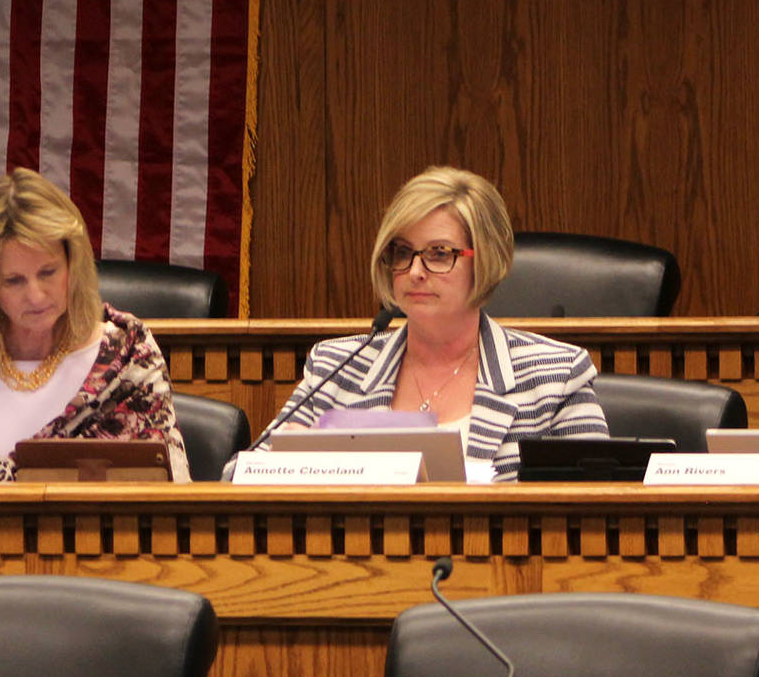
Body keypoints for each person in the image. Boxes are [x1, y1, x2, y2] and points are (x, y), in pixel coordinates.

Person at [257, 166, 606, 482]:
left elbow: (599, 504)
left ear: (485, 260)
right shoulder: (337, 368)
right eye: (403, 252)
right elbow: (236, 478)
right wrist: (281, 464)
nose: (415, 272)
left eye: (439, 253)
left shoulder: (555, 376)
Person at [0, 168, 187, 481]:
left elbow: (170, 501)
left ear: (72, 264)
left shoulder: (130, 357)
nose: (36, 296)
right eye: (14, 280)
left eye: (48, 272)